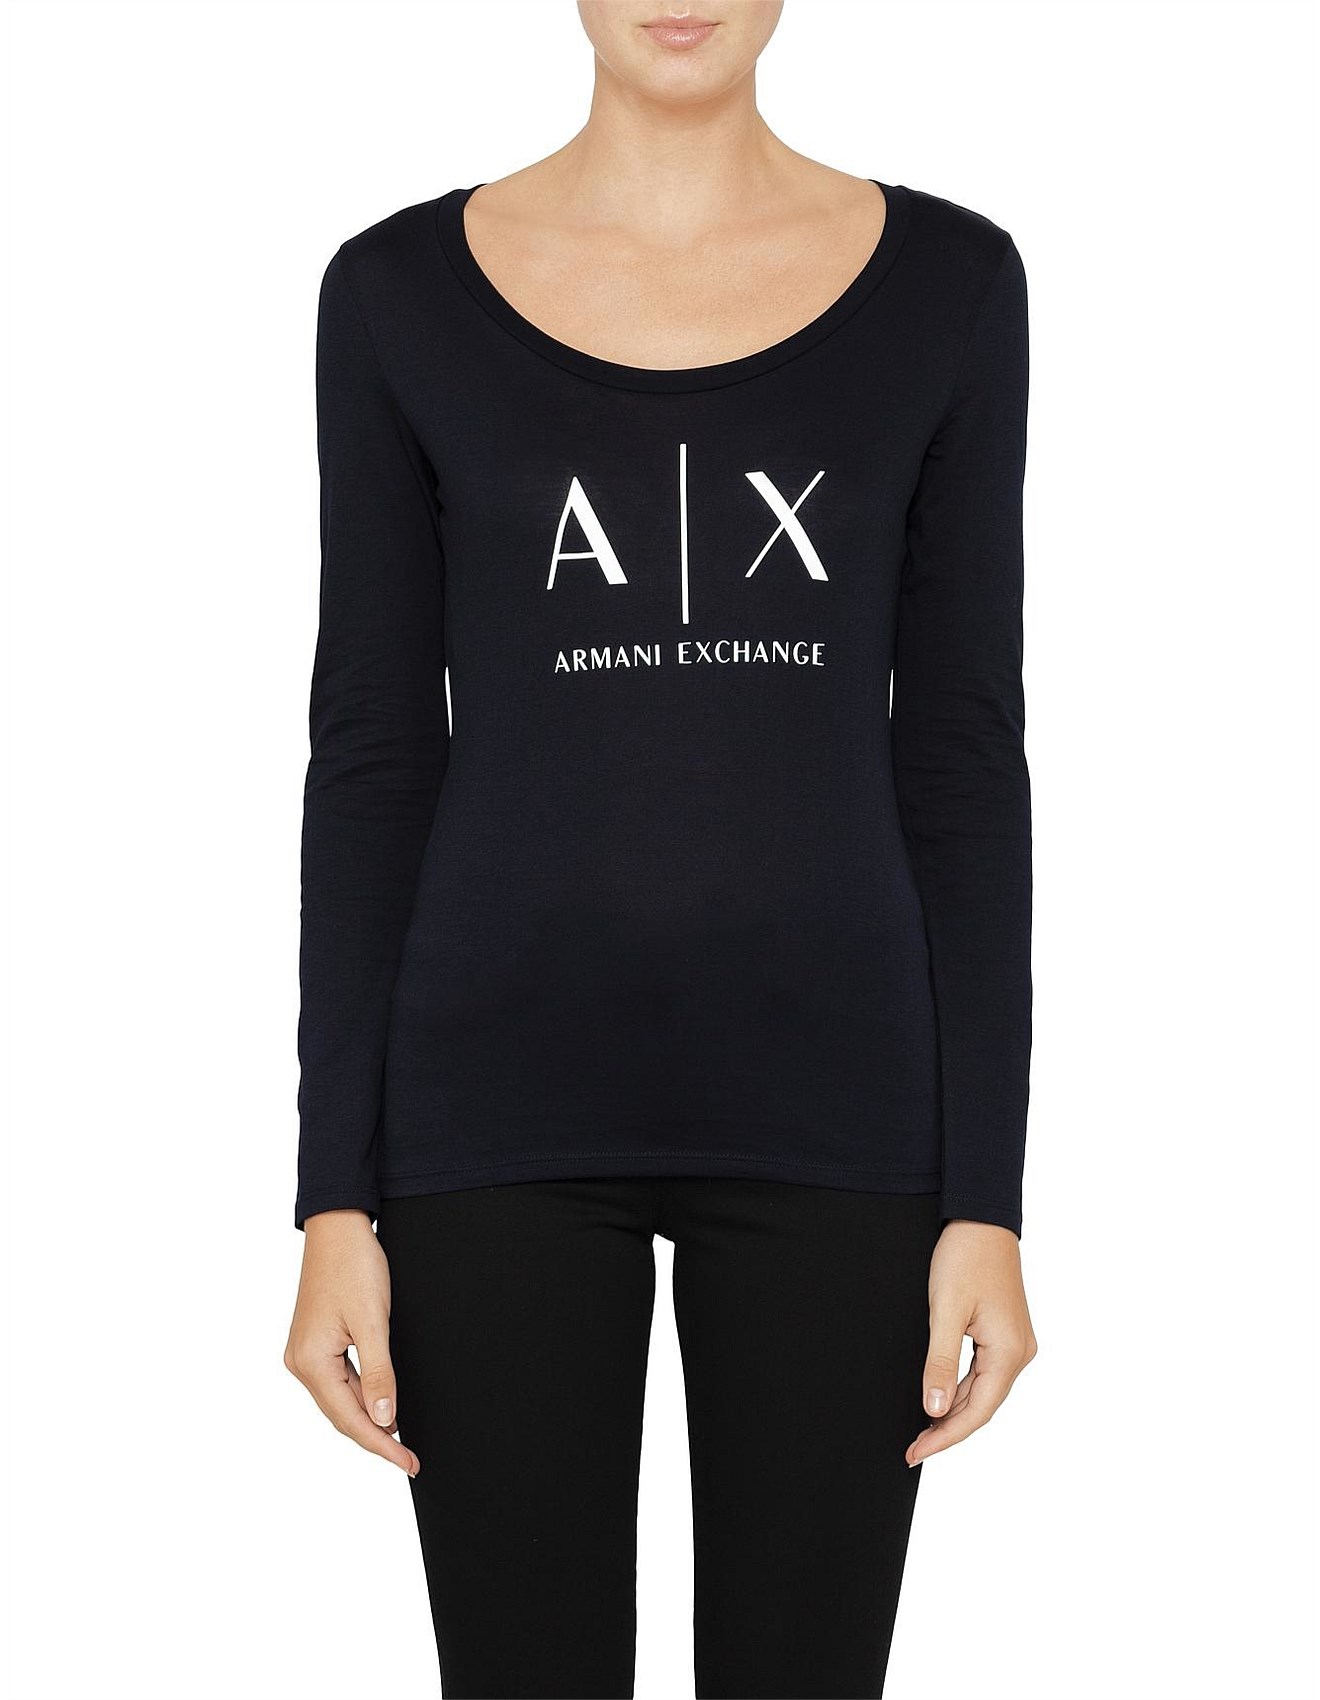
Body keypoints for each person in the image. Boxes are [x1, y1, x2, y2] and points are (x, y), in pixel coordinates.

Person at [284, 3, 1038, 1694]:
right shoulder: (395, 297)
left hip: (846, 1113)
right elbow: (377, 755)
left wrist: (985, 1196)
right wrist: (334, 1190)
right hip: (488, 1117)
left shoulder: (952, 288)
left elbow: (964, 757)